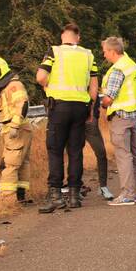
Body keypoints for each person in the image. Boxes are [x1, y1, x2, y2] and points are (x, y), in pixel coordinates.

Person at [36, 23, 98, 213]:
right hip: (80, 107)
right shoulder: (88, 55)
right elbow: (94, 87)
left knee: (55, 150)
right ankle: (73, 196)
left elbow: (40, 77)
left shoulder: (54, 51)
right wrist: (90, 109)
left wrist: (48, 87)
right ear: (78, 37)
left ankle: (55, 195)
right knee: (75, 151)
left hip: (59, 107)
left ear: (62, 36)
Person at [99, 37, 136, 206]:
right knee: (135, 154)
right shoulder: (132, 65)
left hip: (121, 116)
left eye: (105, 51)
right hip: (134, 115)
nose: (104, 55)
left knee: (123, 155)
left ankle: (127, 194)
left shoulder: (118, 69)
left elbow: (109, 97)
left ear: (112, 51)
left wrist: (102, 105)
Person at [0, 57, 35, 205]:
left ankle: (7, 198)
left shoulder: (13, 86)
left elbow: (22, 104)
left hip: (16, 130)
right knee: (21, 163)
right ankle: (20, 195)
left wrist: (14, 126)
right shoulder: (7, 87)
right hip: (16, 129)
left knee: (9, 165)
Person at [85, 95, 114, 200]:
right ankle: (75, 188)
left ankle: (103, 186)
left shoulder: (92, 83)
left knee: (101, 152)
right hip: (75, 122)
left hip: (91, 123)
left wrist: (94, 115)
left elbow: (95, 95)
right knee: (74, 155)